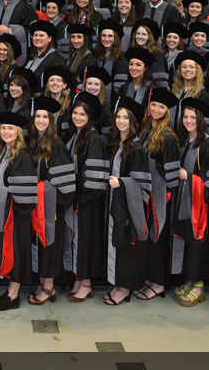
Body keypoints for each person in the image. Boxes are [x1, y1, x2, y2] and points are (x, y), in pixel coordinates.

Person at [171, 99, 209, 307]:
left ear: (201, 120)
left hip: (199, 204)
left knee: (197, 244)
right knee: (187, 242)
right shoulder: (184, 142)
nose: (188, 120)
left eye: (193, 117)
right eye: (185, 117)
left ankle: (199, 286)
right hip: (184, 200)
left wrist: (189, 177)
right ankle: (190, 280)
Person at [25, 97, 76, 306]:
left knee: (51, 244)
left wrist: (44, 192)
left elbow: (65, 184)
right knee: (39, 244)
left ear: (51, 120)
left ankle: (49, 286)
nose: (41, 120)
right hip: (38, 204)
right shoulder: (33, 142)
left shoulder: (57, 145)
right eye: (38, 116)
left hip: (51, 205)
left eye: (45, 117)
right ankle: (42, 282)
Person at [0, 111, 38, 311]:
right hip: (6, 212)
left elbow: (23, 193)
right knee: (9, 252)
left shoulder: (22, 156)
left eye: (11, 129)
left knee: (15, 253)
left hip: (17, 215)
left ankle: (14, 296)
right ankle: (10, 291)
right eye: (4, 128)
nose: (6, 132)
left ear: (18, 133)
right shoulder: (3, 152)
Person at [104, 97, 151, 305]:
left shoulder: (137, 150)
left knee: (127, 247)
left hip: (129, 209)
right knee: (117, 245)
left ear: (134, 122)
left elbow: (144, 186)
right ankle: (118, 284)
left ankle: (124, 288)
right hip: (117, 205)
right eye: (119, 117)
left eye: (126, 118)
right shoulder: (118, 144)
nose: (121, 121)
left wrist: (121, 183)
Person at [135, 89, 181, 301]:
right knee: (148, 237)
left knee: (157, 238)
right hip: (146, 191)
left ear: (168, 111)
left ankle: (158, 283)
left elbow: (171, 174)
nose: (156, 109)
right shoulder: (146, 129)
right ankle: (148, 278)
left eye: (162, 107)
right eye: (154, 105)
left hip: (160, 195)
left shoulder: (169, 137)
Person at [64, 92, 110, 303]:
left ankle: (86, 283)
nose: (77, 117)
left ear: (90, 116)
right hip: (78, 199)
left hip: (88, 202)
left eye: (82, 114)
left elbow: (95, 177)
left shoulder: (94, 139)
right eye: (75, 113)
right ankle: (78, 279)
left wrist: (81, 198)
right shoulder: (77, 134)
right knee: (78, 241)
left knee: (87, 240)